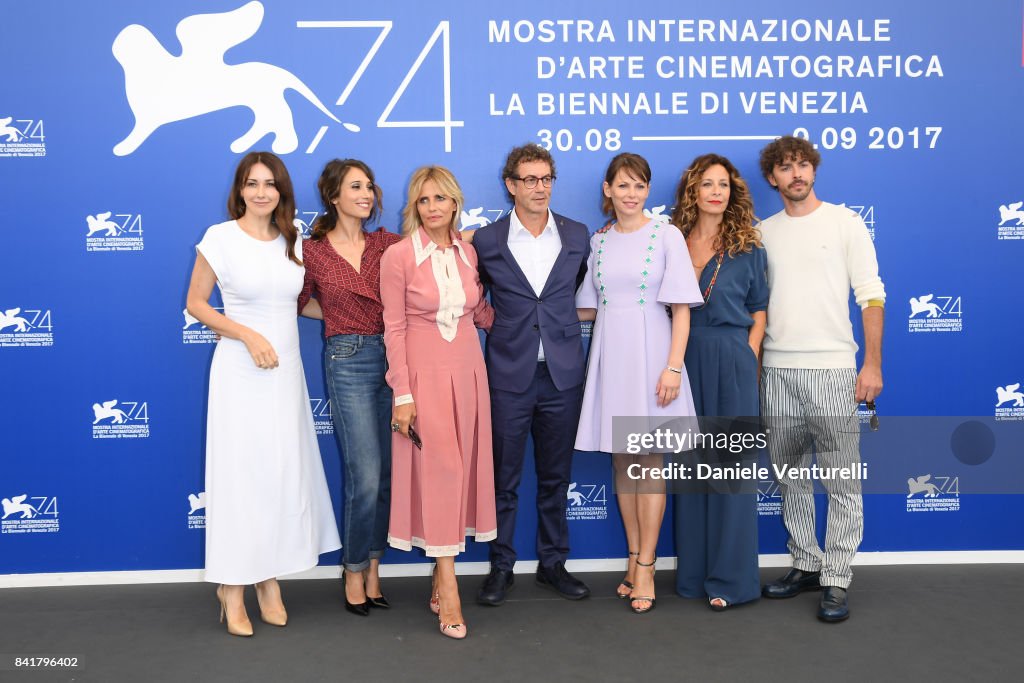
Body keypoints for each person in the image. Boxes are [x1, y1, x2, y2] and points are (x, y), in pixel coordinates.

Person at [185, 152, 341, 637]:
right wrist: (247, 336)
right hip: (240, 372)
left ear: (281, 191)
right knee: (239, 479)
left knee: (278, 475)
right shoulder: (220, 237)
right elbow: (195, 304)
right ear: (240, 189)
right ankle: (232, 588)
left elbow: (299, 303)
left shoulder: (293, 239)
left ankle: (268, 579)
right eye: (252, 183)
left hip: (286, 373)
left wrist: (352, 317)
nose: (260, 192)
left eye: (269, 184)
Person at [756, 136, 885, 622]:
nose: (796, 174)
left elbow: (871, 295)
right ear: (773, 178)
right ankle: (807, 563)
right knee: (791, 477)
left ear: (814, 170)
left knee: (841, 480)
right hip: (777, 370)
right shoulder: (762, 232)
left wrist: (871, 365)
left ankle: (837, 577)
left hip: (834, 368)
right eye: (786, 167)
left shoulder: (845, 222)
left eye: (803, 165)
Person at [575, 152, 703, 614]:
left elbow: (683, 308)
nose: (631, 193)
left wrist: (673, 367)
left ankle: (647, 566)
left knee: (649, 464)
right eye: (622, 185)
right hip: (612, 356)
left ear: (648, 191)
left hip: (654, 357)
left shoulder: (666, 235)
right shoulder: (599, 241)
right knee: (623, 464)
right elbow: (586, 307)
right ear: (607, 190)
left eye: (639, 185)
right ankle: (632, 559)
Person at [471, 143, 592, 606]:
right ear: (511, 185)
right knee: (503, 479)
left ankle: (553, 564)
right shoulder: (486, 241)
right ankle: (501, 566)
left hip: (563, 375)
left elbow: (581, 292)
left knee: (555, 477)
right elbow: (468, 293)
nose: (539, 188)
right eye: (529, 180)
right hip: (508, 374)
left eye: (546, 179)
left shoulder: (578, 235)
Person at [380, 165, 496, 639]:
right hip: (423, 377)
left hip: (469, 372)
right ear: (414, 206)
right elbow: (394, 328)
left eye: (441, 199)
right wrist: (402, 394)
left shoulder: (470, 253)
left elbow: (481, 312)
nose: (433, 207)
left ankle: (439, 575)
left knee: (461, 471)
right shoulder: (397, 256)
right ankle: (448, 583)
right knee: (441, 470)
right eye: (424, 200)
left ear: (455, 203)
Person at [298, 159, 401, 617]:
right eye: (355, 186)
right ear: (334, 196)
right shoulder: (312, 250)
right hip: (347, 361)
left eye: (369, 186)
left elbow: (434, 251)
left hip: (395, 360)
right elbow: (299, 303)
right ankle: (353, 568)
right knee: (365, 474)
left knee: (385, 479)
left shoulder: (388, 244)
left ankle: (374, 565)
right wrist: (343, 324)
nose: (366, 193)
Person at [669, 153, 768, 611]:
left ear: (733, 193)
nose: (716, 191)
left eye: (723, 184)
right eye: (707, 183)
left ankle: (731, 581)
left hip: (731, 359)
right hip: (681, 359)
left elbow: (760, 311)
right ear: (692, 190)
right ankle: (692, 575)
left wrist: (747, 357)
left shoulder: (749, 246)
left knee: (729, 475)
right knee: (691, 470)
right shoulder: (670, 240)